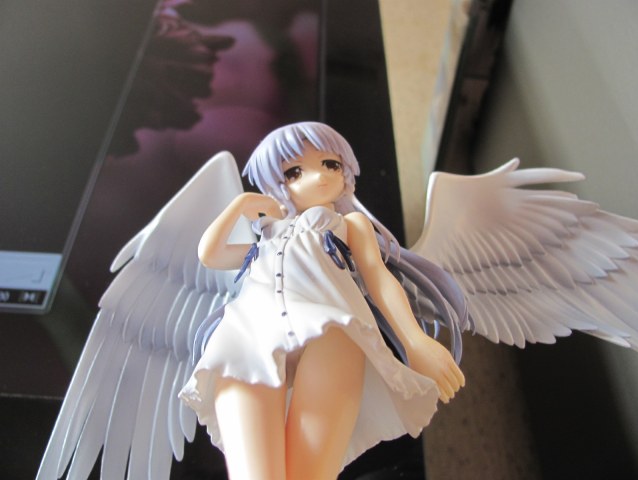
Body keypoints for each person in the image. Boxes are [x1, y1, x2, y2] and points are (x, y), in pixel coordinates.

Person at [179, 121, 465, 479]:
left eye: (331, 164)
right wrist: (240, 204)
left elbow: (378, 278)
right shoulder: (265, 238)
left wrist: (415, 340)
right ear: (277, 184)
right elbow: (210, 254)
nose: (319, 176)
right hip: (246, 339)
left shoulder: (349, 225)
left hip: (333, 332)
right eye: (294, 172)